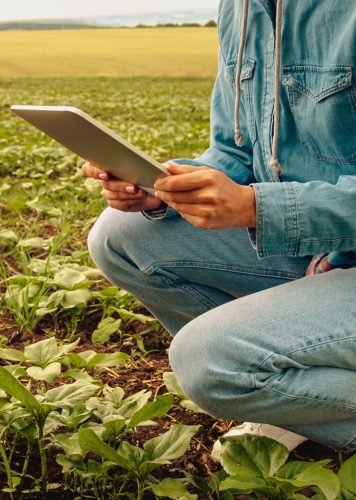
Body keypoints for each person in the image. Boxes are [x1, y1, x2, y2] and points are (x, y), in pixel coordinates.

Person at [84, 0, 356, 460]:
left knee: (211, 361)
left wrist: (255, 206)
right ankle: (300, 406)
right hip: (323, 248)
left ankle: (309, 403)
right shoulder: (241, 9)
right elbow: (235, 150)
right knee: (121, 235)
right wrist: (162, 186)